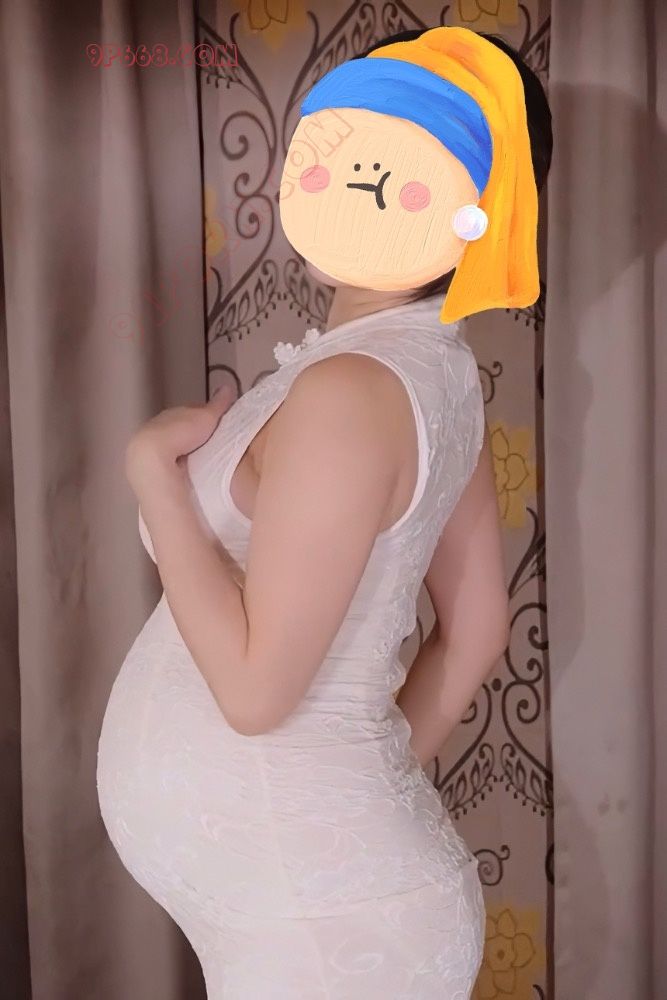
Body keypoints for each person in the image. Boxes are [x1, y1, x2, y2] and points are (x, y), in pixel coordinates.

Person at [97, 26, 552, 999]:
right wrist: (348, 792)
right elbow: (478, 625)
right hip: (319, 904)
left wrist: (154, 478)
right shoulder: (427, 370)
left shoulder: (352, 390)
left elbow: (255, 695)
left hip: (321, 924)